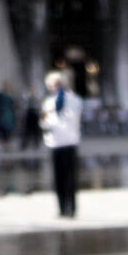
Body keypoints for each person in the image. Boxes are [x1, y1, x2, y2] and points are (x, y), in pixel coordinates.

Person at [40, 70, 83, 217]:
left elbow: (73, 117)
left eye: (57, 84)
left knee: (71, 178)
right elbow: (44, 124)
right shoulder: (48, 102)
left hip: (70, 141)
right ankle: (62, 208)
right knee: (59, 179)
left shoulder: (74, 100)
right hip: (56, 143)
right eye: (52, 85)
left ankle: (72, 208)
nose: (54, 87)